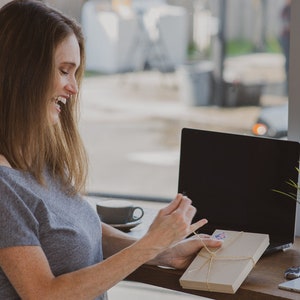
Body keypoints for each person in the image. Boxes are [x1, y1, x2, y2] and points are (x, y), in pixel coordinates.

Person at [0, 1, 222, 299]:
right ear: (22, 71)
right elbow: (43, 294)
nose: (73, 88)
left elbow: (83, 230)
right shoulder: (4, 187)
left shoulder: (38, 160)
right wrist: (150, 245)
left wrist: (163, 252)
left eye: (75, 73)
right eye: (64, 71)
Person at [279, 0, 291, 93]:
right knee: (288, 61)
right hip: (287, 38)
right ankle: (288, 83)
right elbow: (286, 24)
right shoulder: (285, 10)